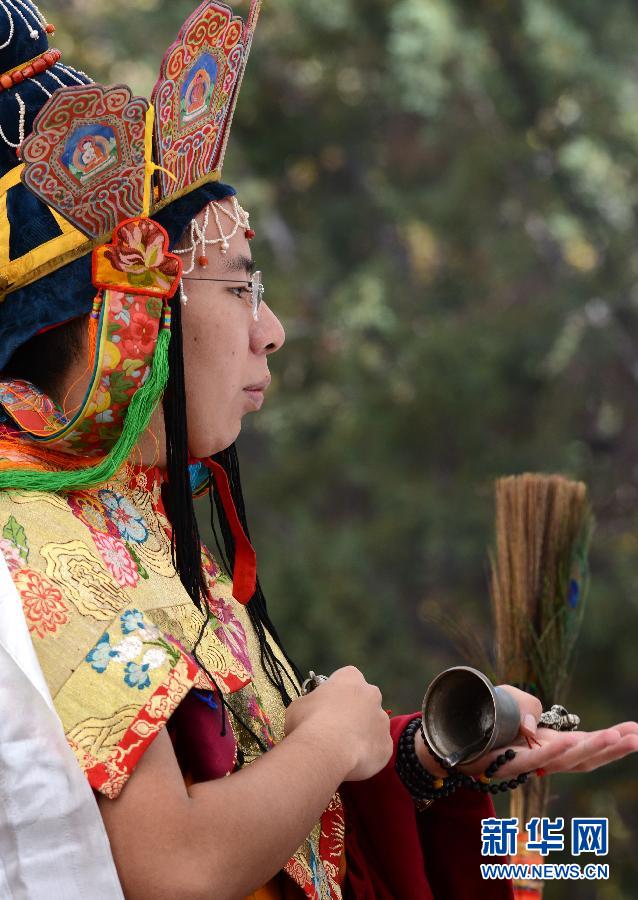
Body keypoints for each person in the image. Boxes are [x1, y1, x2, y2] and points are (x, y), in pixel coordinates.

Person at [0, 3, 636, 899]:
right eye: (240, 285)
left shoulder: (135, 513)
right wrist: (330, 740)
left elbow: (284, 821)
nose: (274, 330)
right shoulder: (34, 539)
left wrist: (439, 756)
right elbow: (174, 869)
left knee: (589, 851)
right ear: (135, 316)